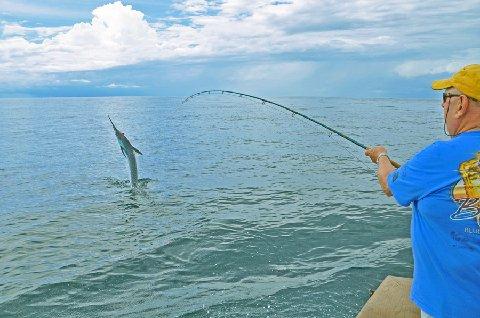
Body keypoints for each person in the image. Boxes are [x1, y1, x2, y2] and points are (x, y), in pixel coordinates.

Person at [365, 64, 480, 318]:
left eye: (445, 98)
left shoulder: (439, 155)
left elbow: (389, 185)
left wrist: (381, 156)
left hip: (450, 305)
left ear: (461, 104)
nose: (442, 106)